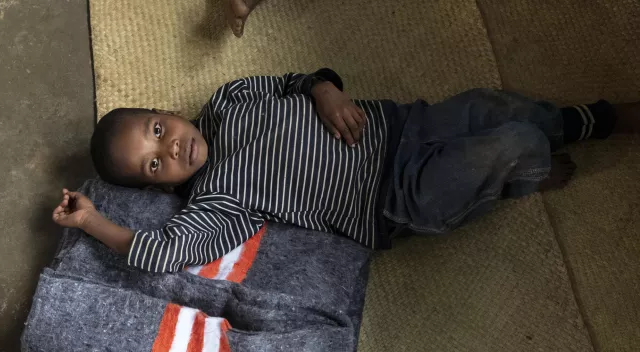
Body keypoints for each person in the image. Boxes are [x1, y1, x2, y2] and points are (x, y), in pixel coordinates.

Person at [52, 68, 638, 273]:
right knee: (510, 143)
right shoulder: (218, 201)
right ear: (164, 185)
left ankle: (592, 120)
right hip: (397, 196)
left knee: (495, 106)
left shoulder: (230, 99)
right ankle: (523, 174)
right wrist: (94, 222)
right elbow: (163, 251)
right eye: (154, 167)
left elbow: (294, 80)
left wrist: (326, 90)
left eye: (159, 132)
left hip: (408, 125)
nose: (172, 151)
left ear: (170, 113)